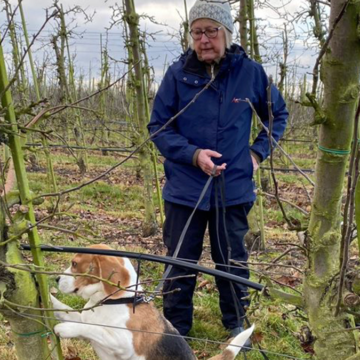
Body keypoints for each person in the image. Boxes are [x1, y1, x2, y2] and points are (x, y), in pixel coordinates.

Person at [147, 0, 288, 341]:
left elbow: (277, 116)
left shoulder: (250, 73)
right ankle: (176, 330)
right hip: (185, 187)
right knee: (181, 260)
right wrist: (193, 155)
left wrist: (256, 154)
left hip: (234, 187)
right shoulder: (177, 75)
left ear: (226, 33)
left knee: (233, 260)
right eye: (197, 32)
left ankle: (236, 325)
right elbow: (159, 127)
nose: (204, 39)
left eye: (211, 31)